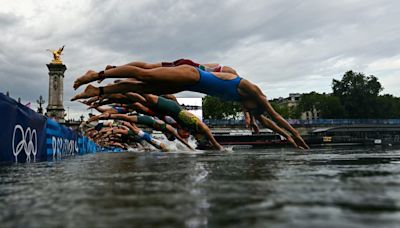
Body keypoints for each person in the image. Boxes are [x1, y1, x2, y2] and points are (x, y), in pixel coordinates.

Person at [72, 61, 309, 149]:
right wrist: (296, 134)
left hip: (192, 83)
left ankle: (99, 90)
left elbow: (269, 124)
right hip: (194, 76)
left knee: (142, 87)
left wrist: (287, 139)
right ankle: (98, 75)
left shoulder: (249, 105)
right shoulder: (253, 92)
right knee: (146, 76)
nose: (253, 116)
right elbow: (277, 118)